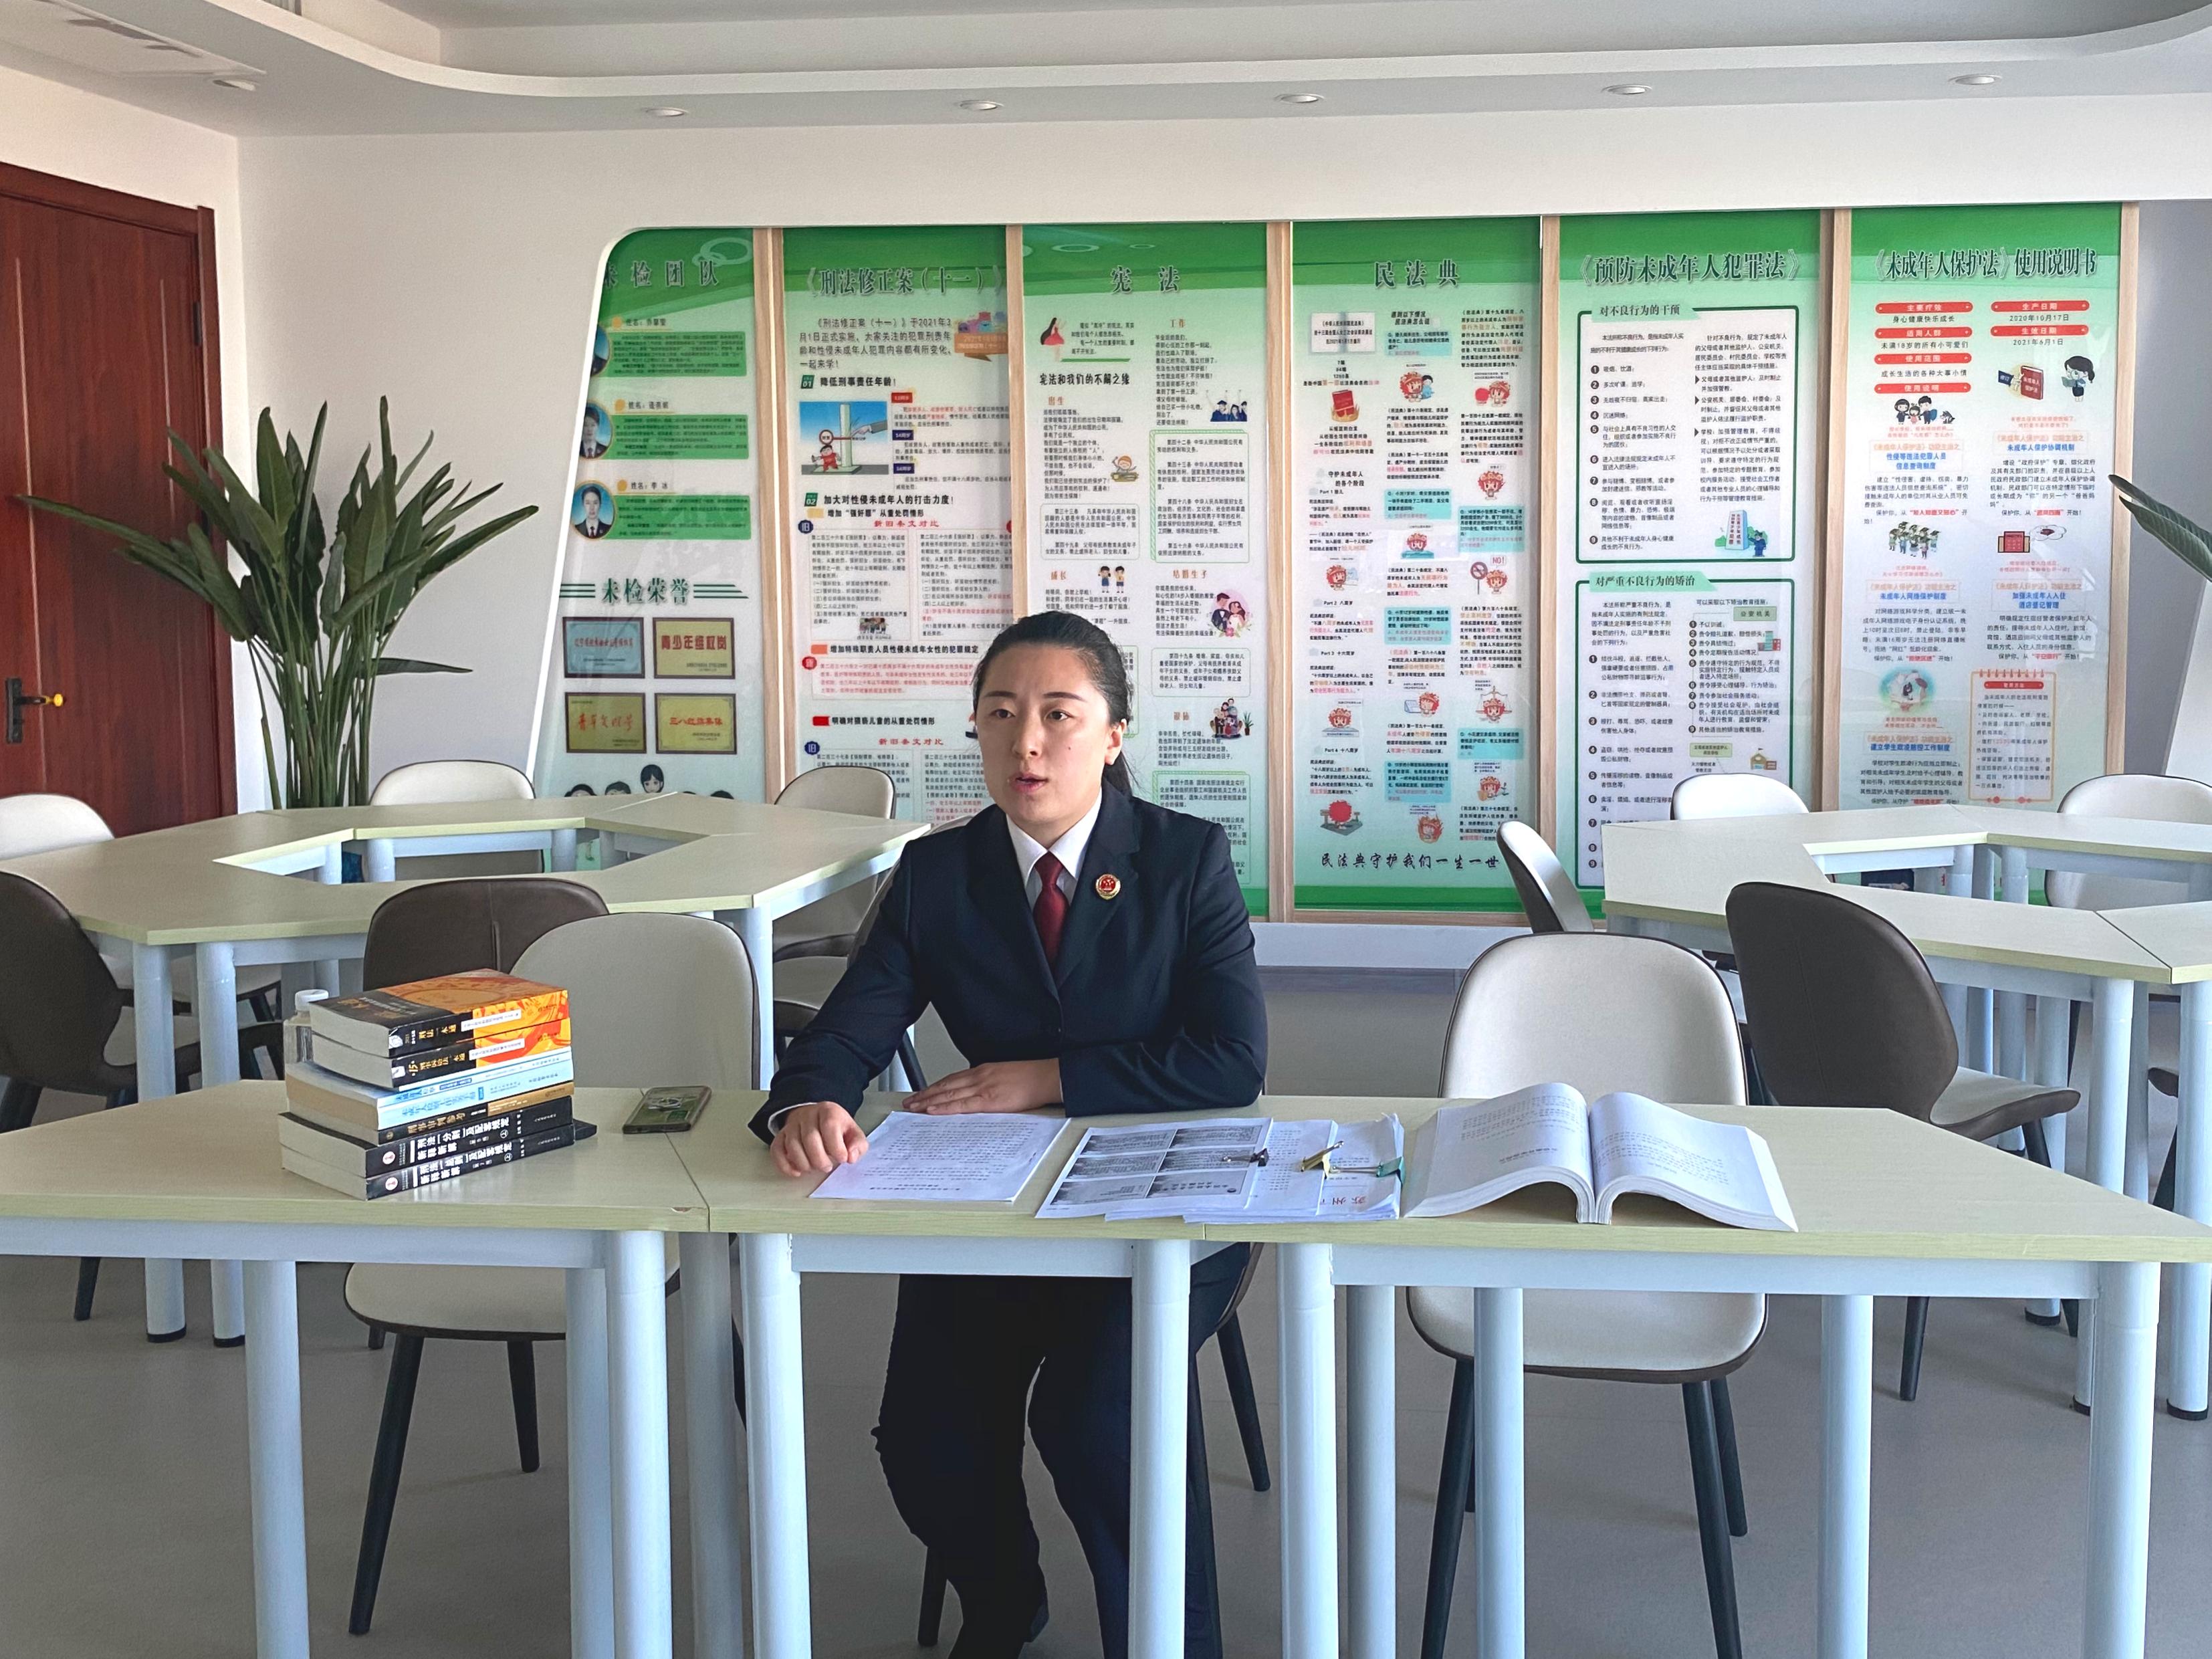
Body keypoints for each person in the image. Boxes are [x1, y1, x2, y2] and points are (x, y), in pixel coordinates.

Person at [758, 609, 1265, 1659]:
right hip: (993, 1203)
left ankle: (1171, 1641)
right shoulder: (938, 873)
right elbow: (846, 1030)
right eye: (999, 714)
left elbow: (1231, 1059)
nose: (1026, 742)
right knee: (924, 1440)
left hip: (1161, 1202)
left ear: (1113, 734)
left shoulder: (1185, 857)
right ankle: (1004, 1598)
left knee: (1099, 1419)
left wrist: (1047, 1079)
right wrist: (807, 1102)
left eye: (1058, 714)